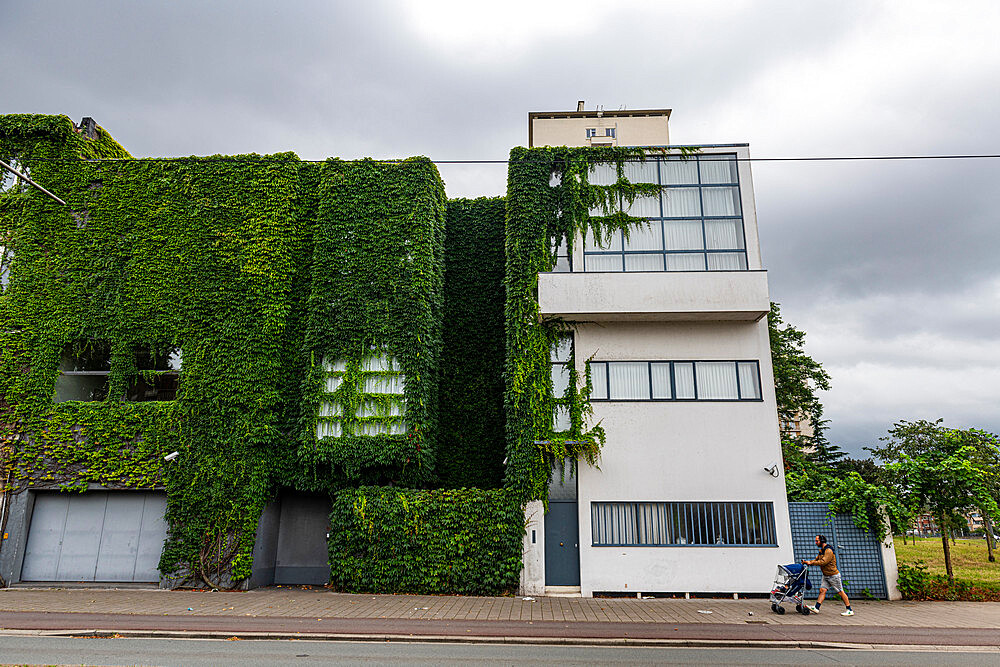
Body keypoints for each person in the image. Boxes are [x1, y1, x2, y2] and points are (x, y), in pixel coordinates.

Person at [801, 534, 854, 616]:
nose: (815, 542)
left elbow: (823, 562)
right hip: (826, 575)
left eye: (817, 541)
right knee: (822, 590)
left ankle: (849, 609)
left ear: (822, 541)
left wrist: (811, 562)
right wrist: (807, 562)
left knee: (840, 592)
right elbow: (816, 560)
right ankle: (816, 608)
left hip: (833, 576)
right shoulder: (822, 550)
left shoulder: (828, 550)